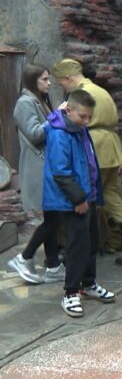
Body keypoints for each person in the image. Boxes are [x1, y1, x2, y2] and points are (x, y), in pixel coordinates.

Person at [53, 59, 122, 267]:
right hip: (111, 149)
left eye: (61, 83)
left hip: (93, 149)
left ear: (68, 78)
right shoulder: (101, 91)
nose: (62, 87)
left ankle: (76, 254)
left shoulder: (79, 95)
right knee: (113, 198)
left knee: (81, 200)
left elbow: (67, 123)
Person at [42, 90, 116, 317]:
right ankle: (70, 293)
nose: (86, 121)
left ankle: (88, 283)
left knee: (91, 242)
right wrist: (79, 199)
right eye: (82, 116)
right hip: (72, 201)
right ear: (69, 110)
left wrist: (92, 195)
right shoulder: (59, 134)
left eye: (89, 117)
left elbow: (88, 161)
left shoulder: (79, 129)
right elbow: (61, 172)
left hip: (88, 195)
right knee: (77, 247)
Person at [7, 64, 65, 284]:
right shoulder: (25, 103)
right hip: (39, 169)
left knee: (52, 216)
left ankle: (52, 266)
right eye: (44, 79)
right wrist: (57, 116)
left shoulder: (39, 100)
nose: (49, 83)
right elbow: (35, 134)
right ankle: (25, 257)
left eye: (48, 79)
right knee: (53, 217)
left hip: (48, 167)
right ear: (33, 81)